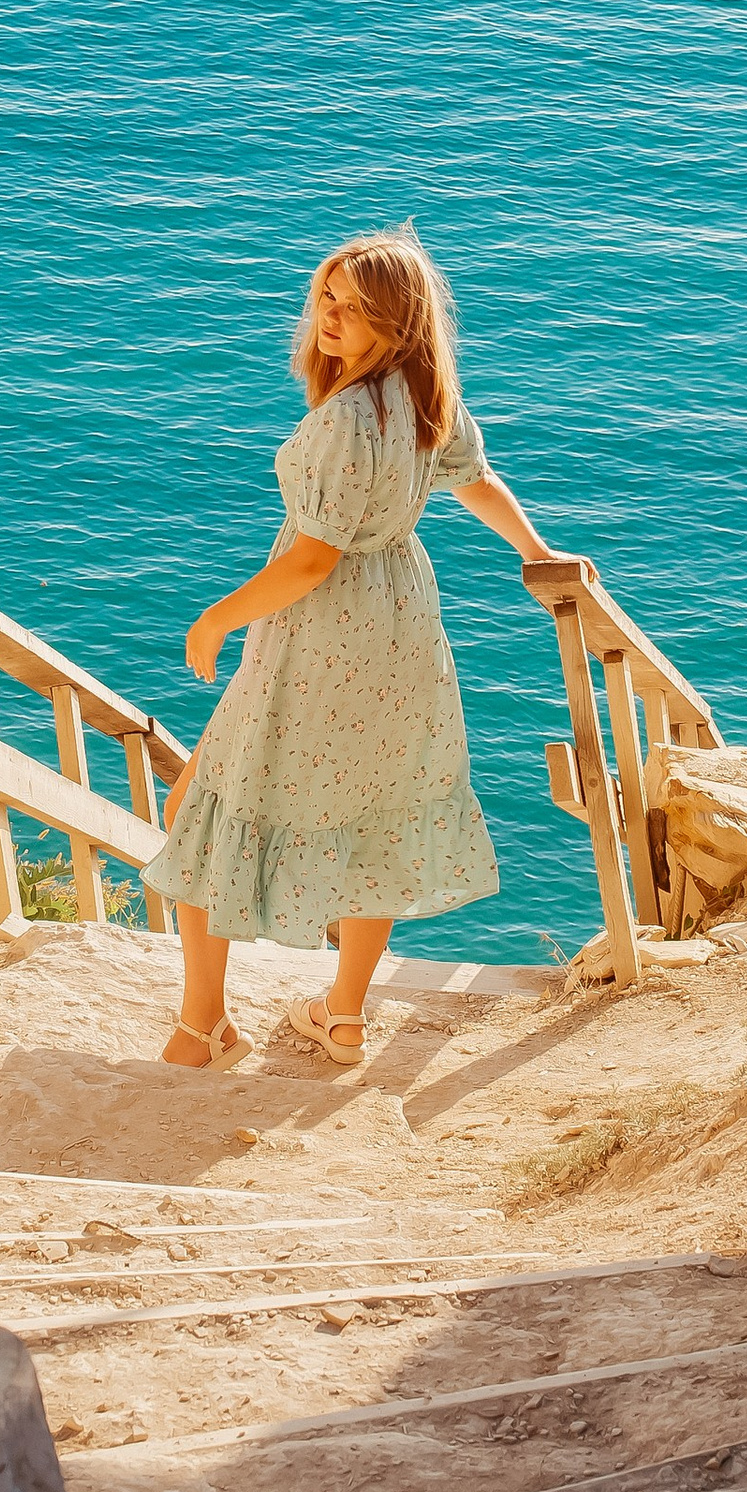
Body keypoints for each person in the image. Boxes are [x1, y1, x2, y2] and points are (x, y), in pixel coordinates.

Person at [148, 229, 550, 1070]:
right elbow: (473, 478)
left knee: (204, 808)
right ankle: (343, 1015)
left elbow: (311, 558)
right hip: (401, 618)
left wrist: (217, 617)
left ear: (395, 319)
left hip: (320, 630)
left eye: (354, 306)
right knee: (375, 805)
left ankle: (202, 1027)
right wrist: (535, 551)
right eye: (327, 297)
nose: (330, 316)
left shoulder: (344, 419)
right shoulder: (424, 391)